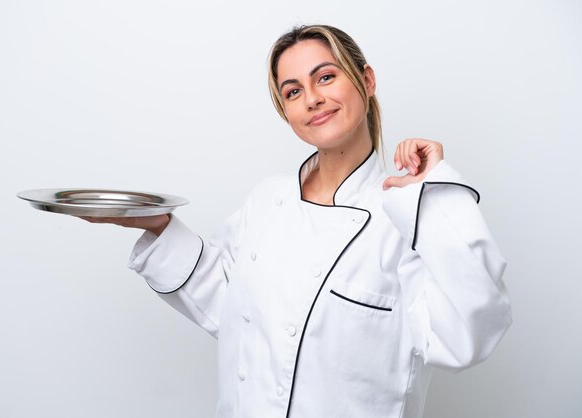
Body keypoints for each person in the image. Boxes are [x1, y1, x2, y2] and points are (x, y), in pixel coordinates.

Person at [83, 24, 511, 418]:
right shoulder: (269, 198)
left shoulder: (406, 214)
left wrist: (433, 192)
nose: (311, 99)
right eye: (292, 91)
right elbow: (230, 307)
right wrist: (158, 226)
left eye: (325, 77)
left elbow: (466, 337)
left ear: (366, 80)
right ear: (286, 111)